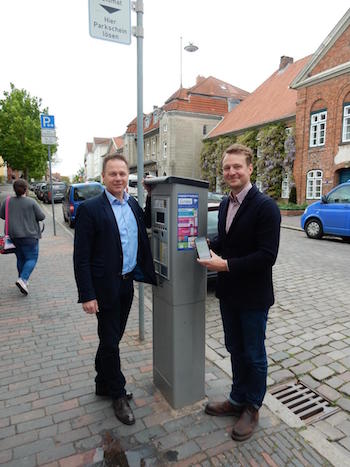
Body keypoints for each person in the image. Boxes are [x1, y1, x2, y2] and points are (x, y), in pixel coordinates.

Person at [197, 143, 281, 441]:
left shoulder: (265, 207)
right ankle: (236, 398)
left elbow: (266, 256)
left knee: (254, 354)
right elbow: (228, 239)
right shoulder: (224, 203)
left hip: (254, 297)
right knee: (234, 348)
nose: (231, 172)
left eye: (237, 167)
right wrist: (211, 245)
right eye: (227, 168)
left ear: (250, 168)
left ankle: (252, 407)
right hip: (229, 293)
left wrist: (226, 265)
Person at [73, 153, 156, 426]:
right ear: (103, 177)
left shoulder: (132, 203)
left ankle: (101, 381)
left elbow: (145, 225)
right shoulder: (90, 209)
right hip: (104, 288)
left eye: (122, 174)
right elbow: (81, 256)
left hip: (127, 284)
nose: (119, 178)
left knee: (113, 338)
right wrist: (87, 294)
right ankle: (117, 394)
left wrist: (151, 195)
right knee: (110, 341)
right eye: (113, 174)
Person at [0, 179, 45, 295]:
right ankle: (23, 279)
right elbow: (41, 216)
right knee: (31, 258)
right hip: (30, 236)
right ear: (26, 189)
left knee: (20, 258)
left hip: (13, 236)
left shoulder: (7, 201)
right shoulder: (31, 202)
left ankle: (22, 280)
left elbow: (2, 215)